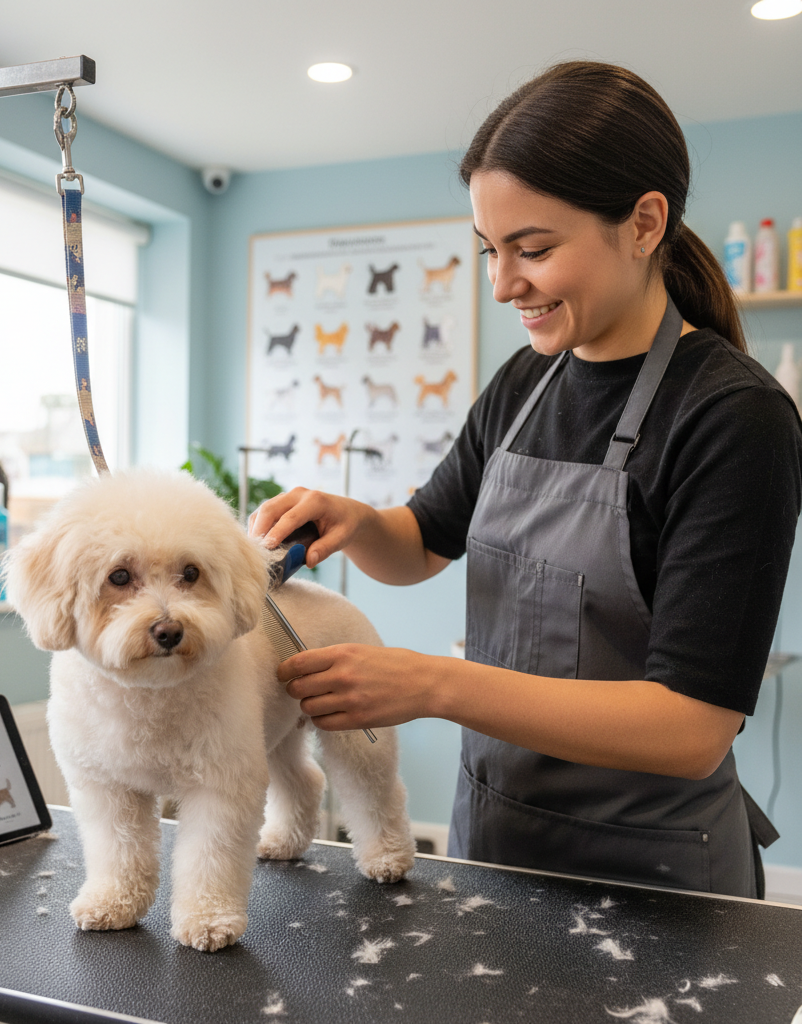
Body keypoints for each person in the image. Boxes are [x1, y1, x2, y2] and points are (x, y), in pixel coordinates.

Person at [250, 61, 802, 900]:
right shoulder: (526, 382)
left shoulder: (733, 416)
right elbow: (421, 545)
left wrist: (432, 684)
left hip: (656, 881)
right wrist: (356, 521)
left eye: (533, 250)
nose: (505, 284)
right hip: (498, 841)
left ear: (645, 223)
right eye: (489, 251)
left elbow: (692, 727)